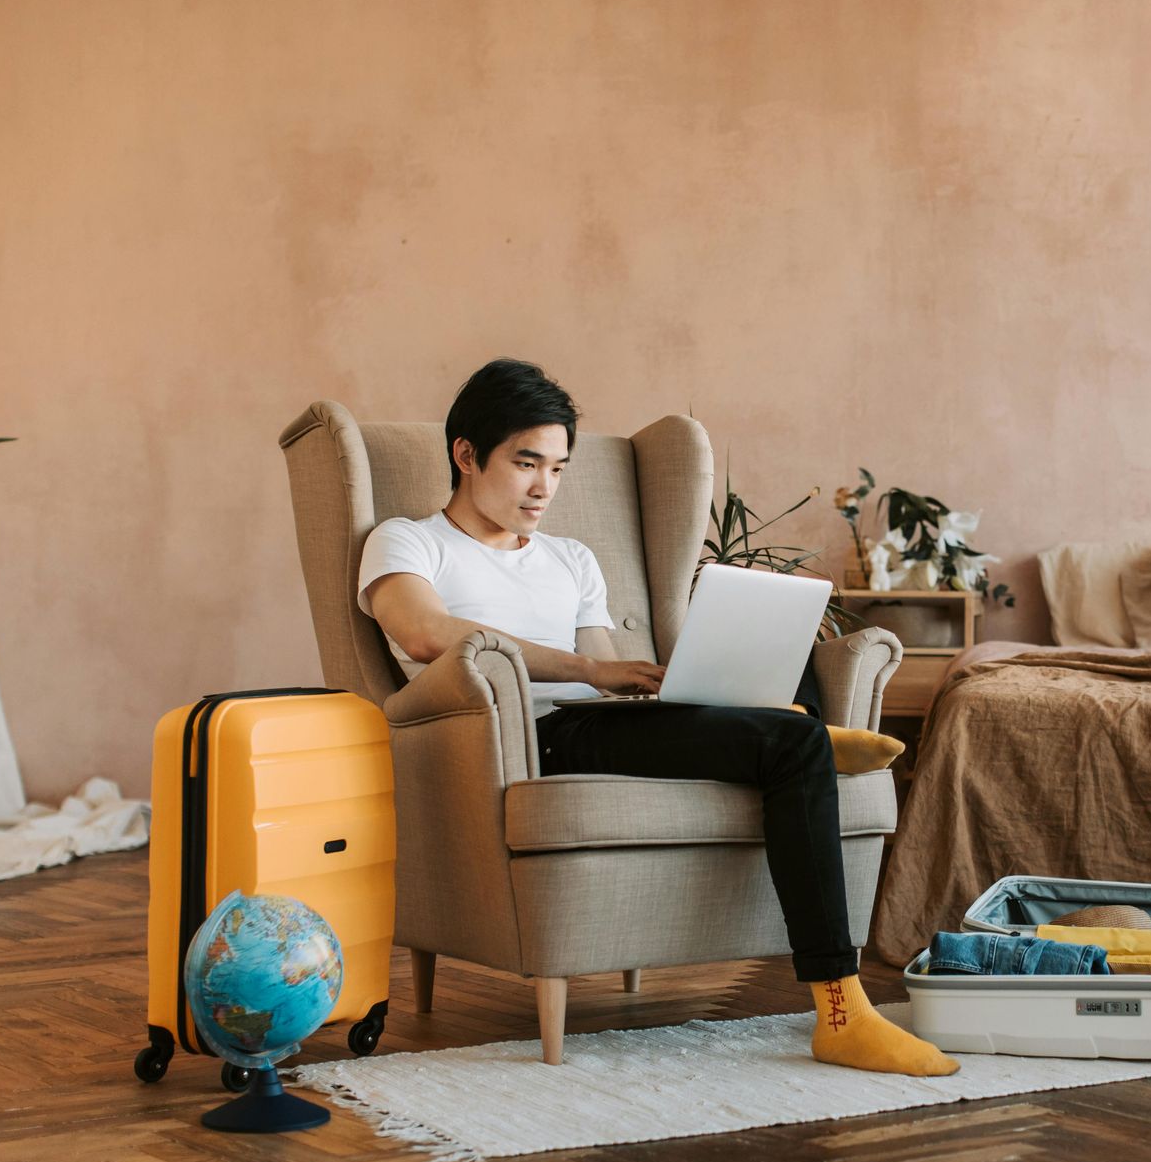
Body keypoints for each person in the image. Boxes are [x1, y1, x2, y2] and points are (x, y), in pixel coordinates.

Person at [357, 358, 958, 1078]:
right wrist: (588, 671)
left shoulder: (572, 558)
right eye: (526, 463)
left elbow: (608, 672)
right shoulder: (408, 540)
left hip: (598, 726)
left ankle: (801, 728)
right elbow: (423, 634)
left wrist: (666, 683)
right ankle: (839, 1010)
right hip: (525, 740)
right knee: (792, 743)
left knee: (787, 651)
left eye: (557, 467)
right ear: (466, 454)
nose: (544, 487)